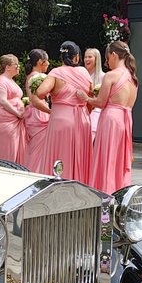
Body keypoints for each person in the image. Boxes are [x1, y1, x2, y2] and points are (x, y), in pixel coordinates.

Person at [33, 40, 92, 183]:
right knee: (80, 156)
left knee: (59, 155)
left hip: (61, 119)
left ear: (61, 57)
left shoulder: (56, 72)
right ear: (77, 57)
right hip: (83, 119)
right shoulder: (84, 72)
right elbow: (91, 97)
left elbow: (40, 93)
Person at [85, 41, 138, 193]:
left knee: (107, 159)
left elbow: (100, 102)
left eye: (108, 58)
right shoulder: (133, 78)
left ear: (114, 55)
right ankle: (119, 190)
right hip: (125, 121)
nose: (107, 62)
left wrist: (86, 98)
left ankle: (105, 193)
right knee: (118, 160)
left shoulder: (112, 75)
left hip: (111, 119)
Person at [0, 53, 27, 163]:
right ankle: (8, 168)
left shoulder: (11, 81)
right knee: (8, 149)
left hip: (15, 119)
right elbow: (3, 101)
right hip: (6, 120)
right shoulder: (0, 81)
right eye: (16, 65)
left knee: (16, 148)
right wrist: (17, 113)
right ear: (8, 67)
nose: (18, 67)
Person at [22, 48, 51, 174]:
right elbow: (35, 100)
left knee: (36, 149)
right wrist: (51, 112)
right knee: (39, 151)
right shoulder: (36, 77)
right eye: (47, 61)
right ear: (40, 62)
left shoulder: (30, 76)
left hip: (33, 114)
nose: (49, 64)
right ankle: (35, 174)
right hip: (39, 115)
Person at [84, 47, 104, 140]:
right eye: (85, 57)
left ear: (97, 59)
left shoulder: (103, 77)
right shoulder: (82, 75)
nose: (86, 59)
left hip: (96, 113)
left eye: (90, 57)